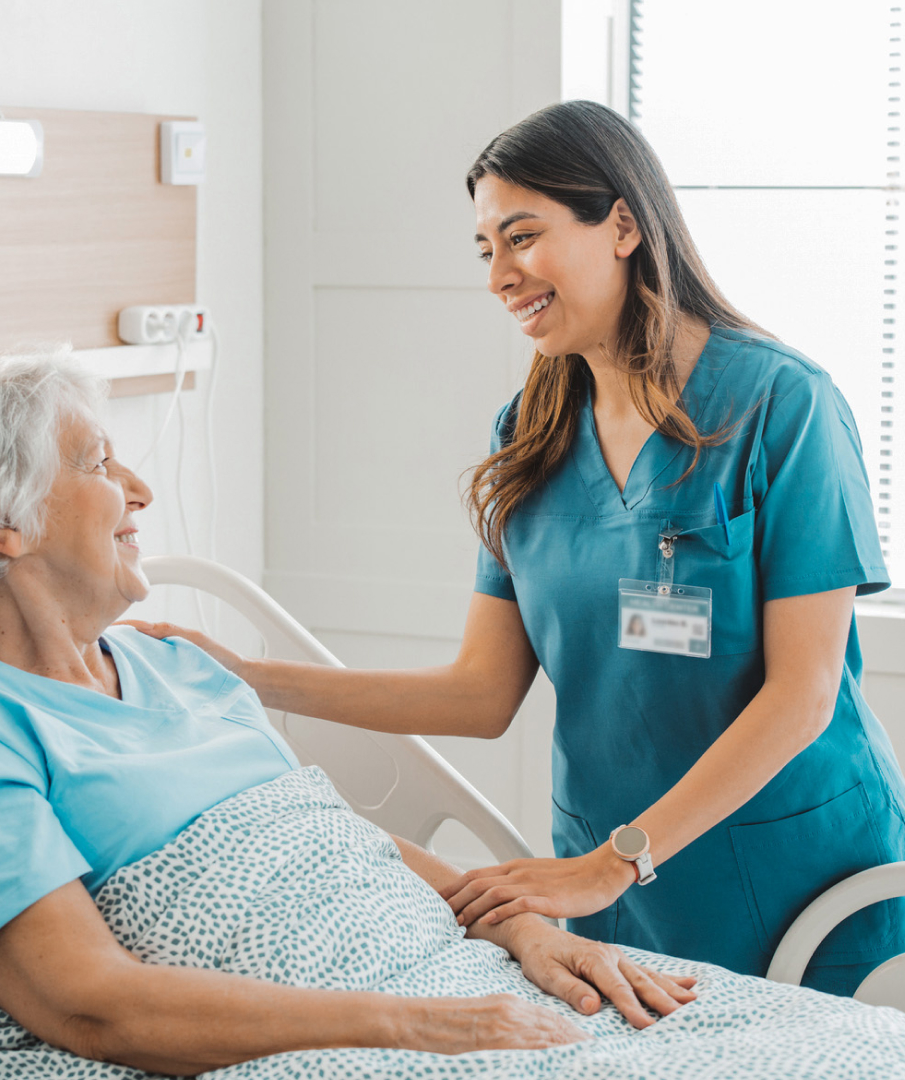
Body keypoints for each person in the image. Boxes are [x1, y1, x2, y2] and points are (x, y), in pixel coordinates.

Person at [135, 101, 905, 997]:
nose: (499, 274)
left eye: (522, 236)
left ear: (622, 223)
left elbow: (805, 697)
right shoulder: (531, 432)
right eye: (484, 250)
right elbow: (481, 692)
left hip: (794, 872)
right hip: (610, 885)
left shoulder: (784, 405)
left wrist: (620, 860)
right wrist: (242, 674)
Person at [0, 352, 696, 1078]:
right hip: (363, 1034)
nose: (141, 490)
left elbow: (325, 834)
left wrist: (524, 930)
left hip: (455, 984)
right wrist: (422, 1029)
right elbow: (90, 1005)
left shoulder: (179, 665)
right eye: (100, 464)